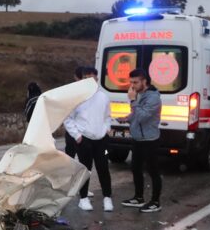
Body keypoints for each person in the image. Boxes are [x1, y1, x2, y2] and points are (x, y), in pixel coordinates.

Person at [64, 67, 113, 211]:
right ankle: (83, 198)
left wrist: (107, 128)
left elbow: (107, 116)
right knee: (85, 169)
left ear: (97, 78)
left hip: (101, 139)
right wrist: (77, 136)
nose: (89, 80)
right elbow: (68, 119)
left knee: (103, 167)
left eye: (92, 77)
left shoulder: (103, 97)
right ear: (83, 79)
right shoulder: (76, 98)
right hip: (84, 139)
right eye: (86, 78)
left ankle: (107, 197)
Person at [118, 68, 162, 213]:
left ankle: (156, 201)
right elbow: (136, 114)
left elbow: (143, 116)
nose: (132, 86)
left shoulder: (153, 97)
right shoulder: (139, 94)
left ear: (145, 81)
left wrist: (132, 100)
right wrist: (127, 118)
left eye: (135, 82)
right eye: (131, 82)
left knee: (153, 170)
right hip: (138, 138)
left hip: (149, 139)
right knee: (136, 168)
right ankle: (138, 197)